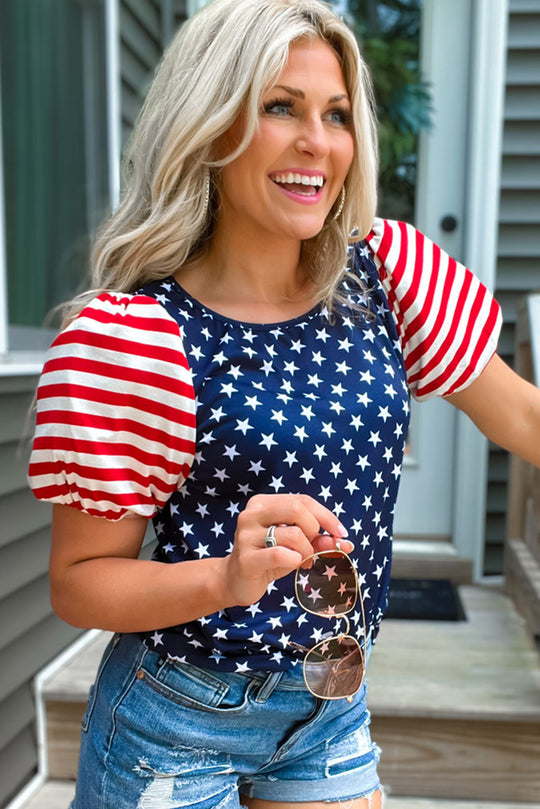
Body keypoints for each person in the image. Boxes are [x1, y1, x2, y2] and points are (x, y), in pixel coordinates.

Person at [28, 1, 540, 807]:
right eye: (280, 107)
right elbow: (79, 581)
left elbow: (524, 418)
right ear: (212, 123)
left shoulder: (388, 281)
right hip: (177, 719)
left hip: (329, 708)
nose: (318, 143)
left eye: (336, 115)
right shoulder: (136, 340)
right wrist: (227, 577)